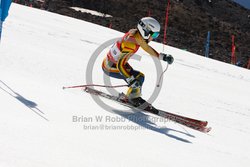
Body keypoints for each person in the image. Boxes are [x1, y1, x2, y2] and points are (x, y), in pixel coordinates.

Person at [102, 17, 174, 107]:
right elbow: (120, 65)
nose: (154, 38)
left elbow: (146, 47)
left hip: (112, 63)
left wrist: (162, 57)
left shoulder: (136, 35)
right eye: (154, 35)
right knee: (138, 78)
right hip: (110, 67)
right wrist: (130, 79)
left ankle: (132, 97)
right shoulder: (131, 44)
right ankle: (133, 98)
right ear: (146, 31)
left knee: (138, 78)